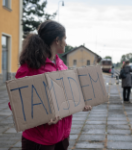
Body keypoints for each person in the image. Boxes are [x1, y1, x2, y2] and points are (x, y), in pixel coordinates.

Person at [8, 20, 92, 150]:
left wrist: (81, 103)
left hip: (62, 137)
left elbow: (66, 96)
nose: (66, 42)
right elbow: (16, 104)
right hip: (39, 141)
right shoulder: (30, 67)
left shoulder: (61, 65)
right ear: (57, 40)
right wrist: (41, 116)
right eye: (64, 38)